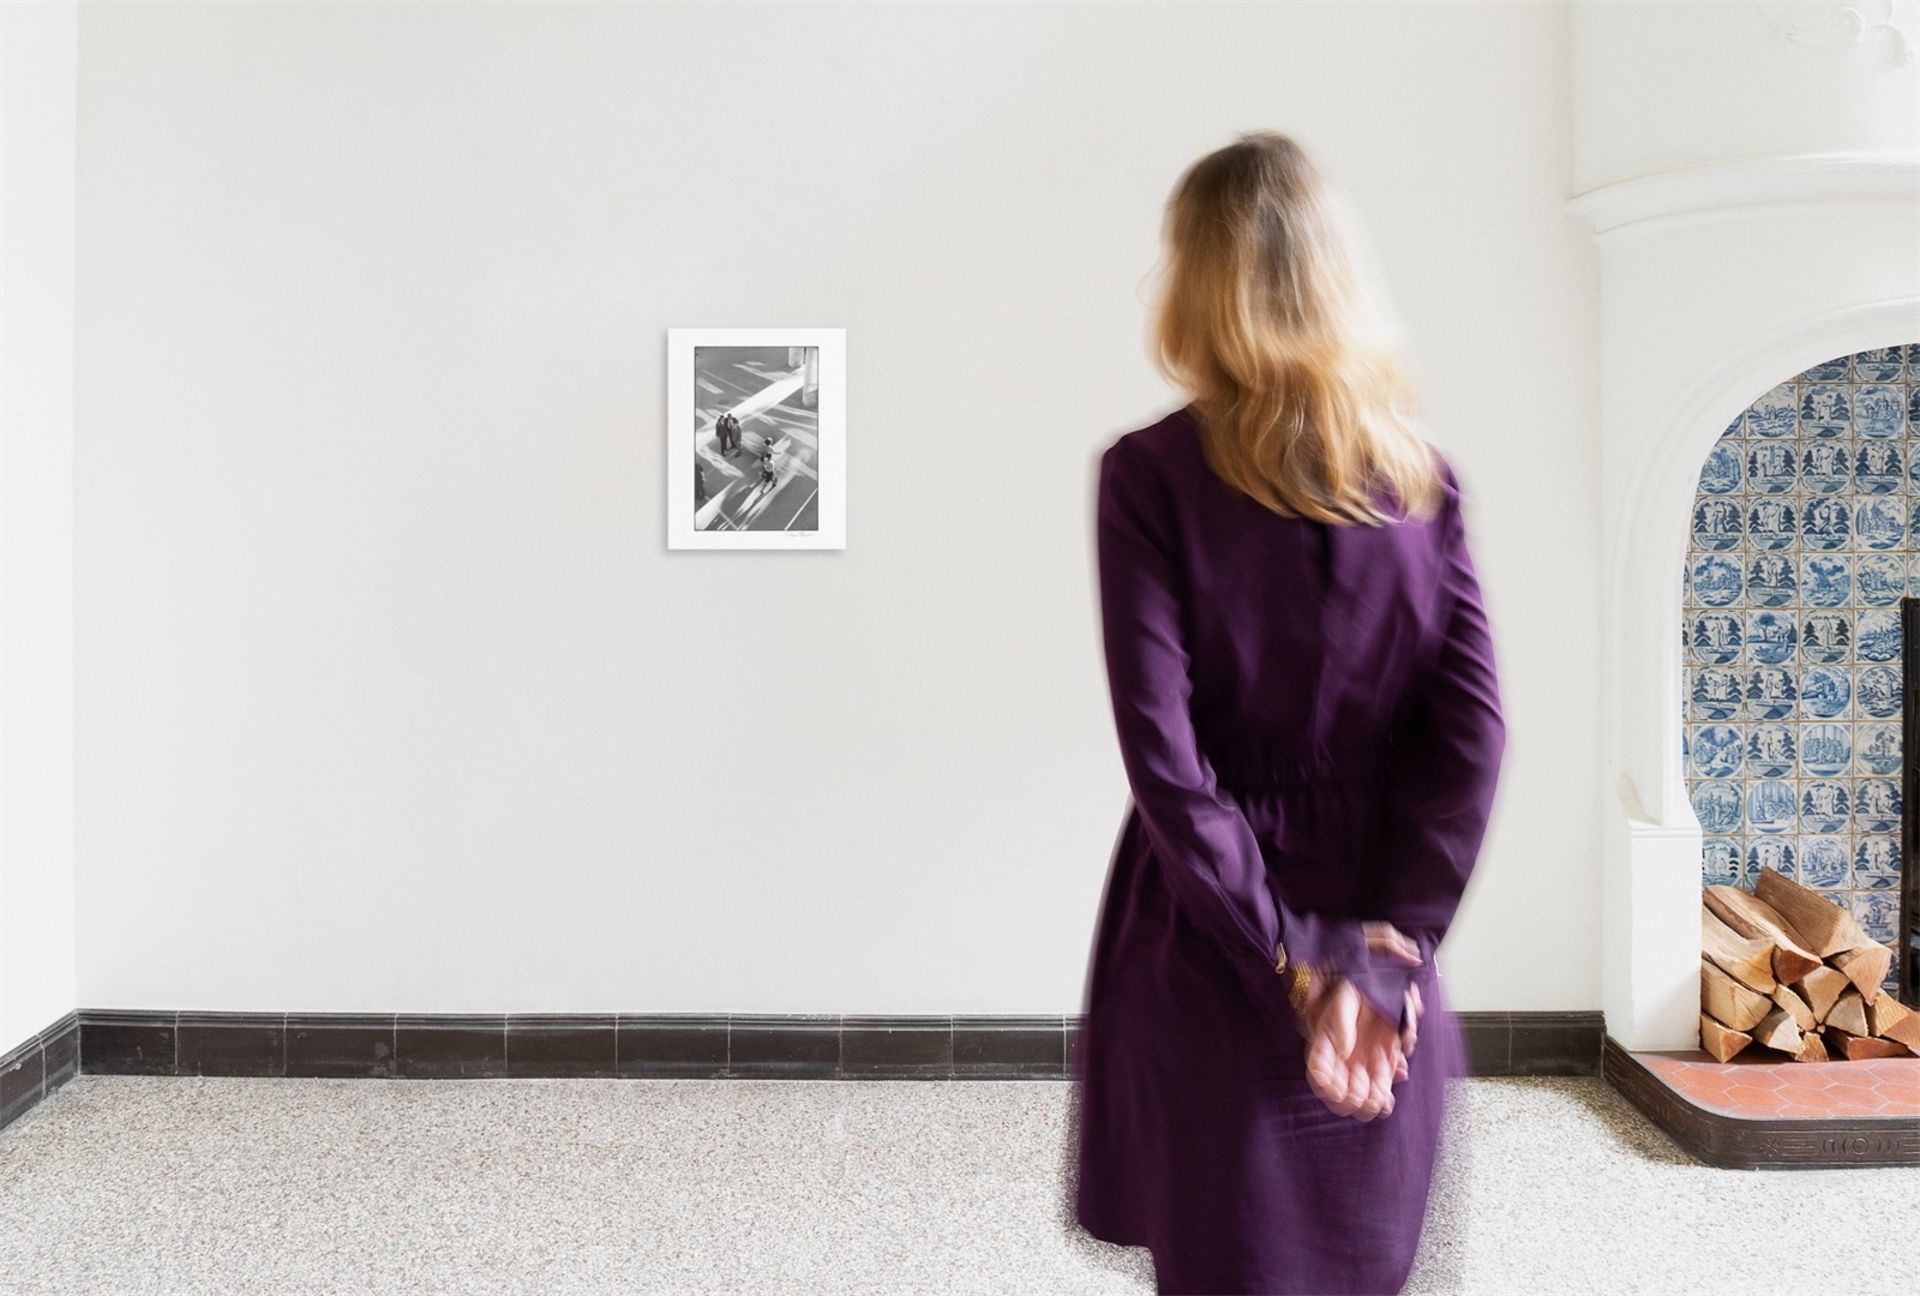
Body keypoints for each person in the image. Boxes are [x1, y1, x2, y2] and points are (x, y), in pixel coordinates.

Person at [1070, 131, 1506, 1296]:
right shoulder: (1425, 481)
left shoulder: (1148, 477)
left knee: (1231, 1254)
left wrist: (1297, 955)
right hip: (1378, 922)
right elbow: (1469, 741)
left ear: (1195, 282)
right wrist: (1386, 951)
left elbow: (1169, 763)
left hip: (1218, 937)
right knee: (1364, 1259)